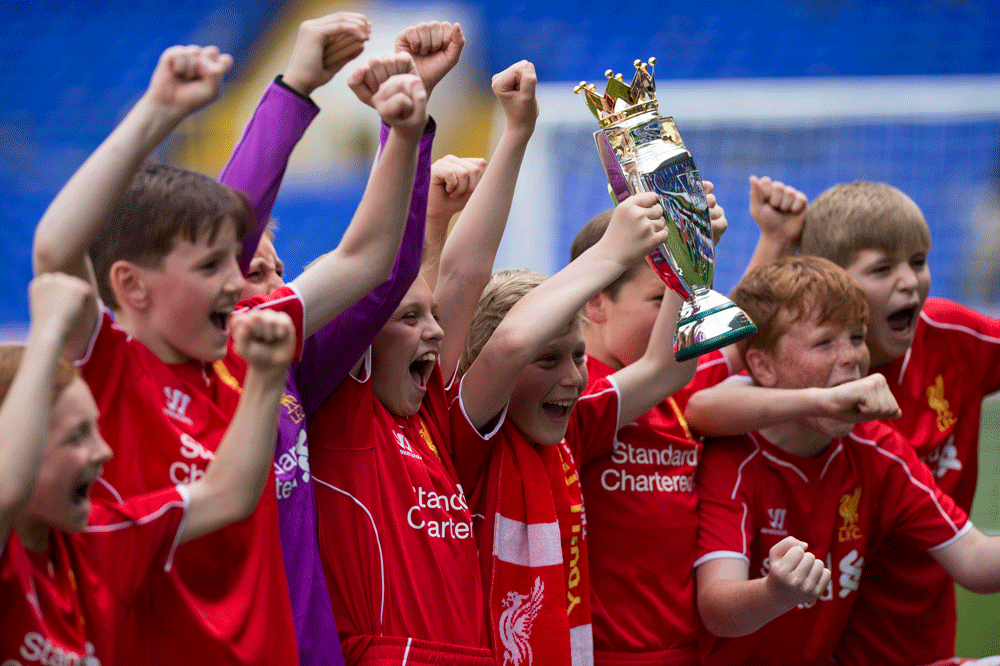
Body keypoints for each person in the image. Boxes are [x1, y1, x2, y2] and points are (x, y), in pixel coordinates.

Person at [31, 42, 427, 665]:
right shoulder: (106, 362)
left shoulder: (250, 341)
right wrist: (158, 111)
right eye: (211, 266)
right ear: (132, 285)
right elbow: (56, 251)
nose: (237, 283)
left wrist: (403, 136)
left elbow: (366, 260)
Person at [217, 16, 463, 665]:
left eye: (280, 271)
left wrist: (406, 127)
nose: (277, 285)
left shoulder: (287, 364)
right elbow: (221, 238)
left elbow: (381, 272)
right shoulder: (175, 365)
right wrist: (295, 88)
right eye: (255, 272)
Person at [686, 180, 1000, 665]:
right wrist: (775, 591)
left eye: (856, 337)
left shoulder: (876, 446)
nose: (853, 357)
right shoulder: (736, 453)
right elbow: (701, 403)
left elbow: (977, 561)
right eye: (825, 343)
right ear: (763, 367)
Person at [304, 59, 535, 666]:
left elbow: (455, 277)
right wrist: (408, 127)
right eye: (409, 319)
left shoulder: (426, 418)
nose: (435, 330)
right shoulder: (345, 413)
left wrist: (515, 134)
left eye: (429, 317)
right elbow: (380, 272)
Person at [450, 183, 702, 666]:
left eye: (579, 356)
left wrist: (689, 254)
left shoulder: (574, 429)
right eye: (548, 359)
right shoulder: (470, 432)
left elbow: (666, 369)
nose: (573, 378)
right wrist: (612, 253)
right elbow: (507, 345)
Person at [1, 272, 297, 665]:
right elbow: (7, 490)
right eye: (75, 437)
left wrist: (267, 376)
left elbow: (228, 495)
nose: (103, 452)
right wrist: (48, 332)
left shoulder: (99, 541)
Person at [564, 183, 732, 666]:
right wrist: (691, 254)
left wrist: (773, 238)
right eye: (662, 299)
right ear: (595, 303)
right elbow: (664, 365)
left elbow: (752, 345)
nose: (677, 314)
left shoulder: (684, 394)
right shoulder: (570, 400)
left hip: (684, 653)